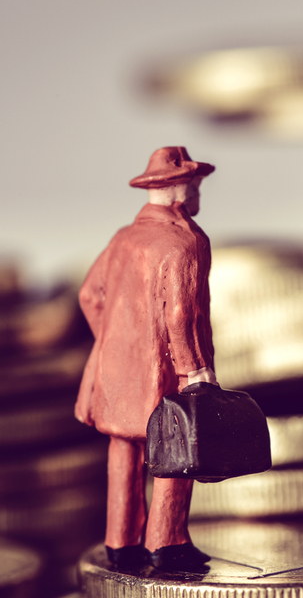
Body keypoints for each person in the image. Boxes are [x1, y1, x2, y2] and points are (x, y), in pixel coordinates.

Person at [75, 146, 216, 572]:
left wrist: (117, 343)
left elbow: (88, 294)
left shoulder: (122, 238)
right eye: (194, 186)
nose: (197, 196)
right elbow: (180, 314)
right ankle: (166, 541)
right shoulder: (186, 242)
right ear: (178, 189)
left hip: (115, 371)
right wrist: (195, 369)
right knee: (175, 443)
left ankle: (119, 541)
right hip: (165, 371)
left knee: (123, 448)